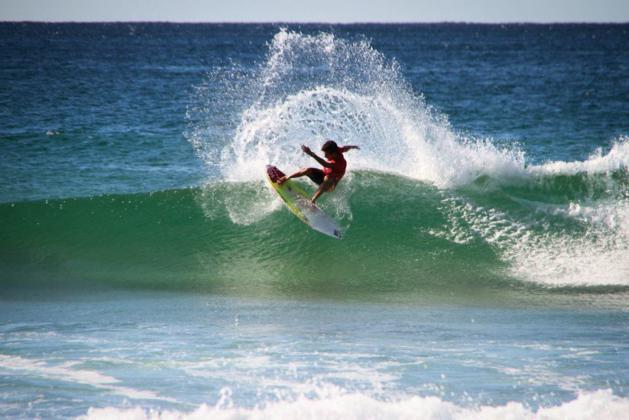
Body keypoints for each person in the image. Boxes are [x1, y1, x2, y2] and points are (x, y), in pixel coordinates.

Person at [277, 140, 360, 204]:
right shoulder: (337, 150)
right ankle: (287, 177)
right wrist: (353, 146)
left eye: (327, 154)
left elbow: (325, 164)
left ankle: (313, 200)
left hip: (330, 185)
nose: (325, 155)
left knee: (329, 178)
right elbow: (345, 148)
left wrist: (311, 154)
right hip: (323, 176)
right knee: (308, 170)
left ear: (334, 154)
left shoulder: (339, 163)